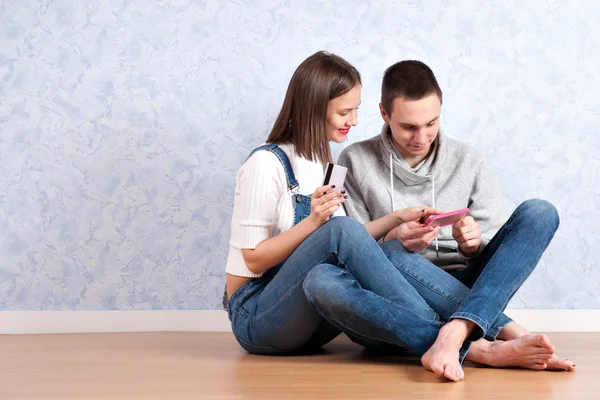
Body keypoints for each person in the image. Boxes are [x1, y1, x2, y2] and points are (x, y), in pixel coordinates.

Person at [333, 60, 575, 380]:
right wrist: (392, 239)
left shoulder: (469, 160)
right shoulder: (354, 160)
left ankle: (457, 331)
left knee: (541, 212)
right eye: (408, 127)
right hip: (395, 291)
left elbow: (498, 259)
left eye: (431, 123)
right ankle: (496, 336)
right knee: (389, 254)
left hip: (465, 283)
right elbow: (352, 251)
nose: (422, 136)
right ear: (383, 113)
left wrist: (473, 245)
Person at [224, 50, 450, 356]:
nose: (354, 121)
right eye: (345, 112)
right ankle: (451, 337)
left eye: (355, 109)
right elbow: (253, 259)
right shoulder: (266, 164)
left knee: (390, 249)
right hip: (257, 315)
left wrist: (397, 218)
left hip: (309, 316)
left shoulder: (327, 166)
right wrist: (313, 222)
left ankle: (472, 323)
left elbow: (351, 241)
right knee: (339, 230)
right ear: (314, 109)